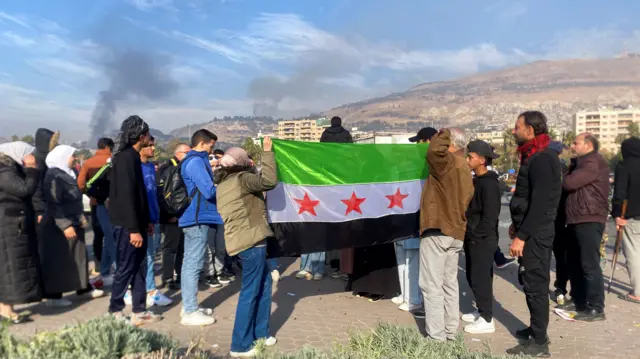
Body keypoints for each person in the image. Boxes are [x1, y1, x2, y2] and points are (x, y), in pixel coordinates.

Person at [214, 138, 278, 357]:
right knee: (250, 291)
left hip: (244, 241)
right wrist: (267, 153)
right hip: (251, 242)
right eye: (248, 159)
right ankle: (240, 345)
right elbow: (269, 181)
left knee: (264, 284)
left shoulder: (224, 182)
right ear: (242, 163)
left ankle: (261, 334)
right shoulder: (243, 179)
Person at [507, 111, 561, 357]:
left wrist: (523, 235)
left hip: (537, 235)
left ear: (531, 129)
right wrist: (516, 226)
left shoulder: (541, 159)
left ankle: (540, 344)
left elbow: (539, 203)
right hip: (530, 231)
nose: (513, 131)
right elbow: (526, 199)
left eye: (518, 127)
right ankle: (536, 329)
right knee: (530, 283)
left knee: (536, 285)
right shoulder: (533, 156)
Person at [418, 128, 474, 342]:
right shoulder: (464, 168)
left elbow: (433, 152)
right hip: (456, 232)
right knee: (449, 283)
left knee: (431, 284)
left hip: (438, 229)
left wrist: (445, 131)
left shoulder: (447, 162)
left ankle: (436, 336)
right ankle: (450, 331)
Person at [108, 115, 161, 325]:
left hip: (137, 223)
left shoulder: (133, 157)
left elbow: (140, 194)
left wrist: (146, 220)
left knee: (139, 266)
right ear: (141, 136)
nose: (150, 139)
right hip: (126, 225)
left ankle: (140, 310)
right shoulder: (125, 158)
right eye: (148, 134)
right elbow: (127, 196)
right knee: (126, 267)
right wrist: (133, 229)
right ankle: (115, 310)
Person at [39, 145, 104, 306]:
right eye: (72, 156)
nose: (74, 158)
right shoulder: (53, 176)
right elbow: (54, 203)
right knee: (58, 260)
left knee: (78, 257)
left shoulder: (68, 173)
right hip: (58, 225)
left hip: (74, 221)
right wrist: (65, 225)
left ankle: (82, 288)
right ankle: (54, 296)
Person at [559, 133, 609, 321]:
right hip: (576, 218)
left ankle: (596, 307)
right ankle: (578, 298)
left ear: (588, 145)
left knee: (589, 264)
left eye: (576, 143)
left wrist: (566, 174)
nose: (572, 145)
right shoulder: (581, 162)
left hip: (589, 217)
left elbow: (570, 183)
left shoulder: (592, 161)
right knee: (575, 261)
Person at [393, 126, 437, 315]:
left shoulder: (431, 163)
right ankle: (406, 294)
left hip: (417, 216)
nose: (416, 145)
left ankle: (414, 299)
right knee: (402, 256)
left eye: (419, 141)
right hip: (403, 214)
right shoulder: (414, 163)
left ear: (427, 141)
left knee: (413, 259)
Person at [179, 129, 221, 326]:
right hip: (197, 217)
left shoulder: (193, 160)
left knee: (191, 262)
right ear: (203, 143)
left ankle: (190, 305)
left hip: (195, 217)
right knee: (193, 264)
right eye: (211, 145)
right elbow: (209, 191)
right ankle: (189, 310)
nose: (212, 150)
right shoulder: (196, 162)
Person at [124, 136, 172, 307]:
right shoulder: (132, 167)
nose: (153, 148)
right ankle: (127, 290)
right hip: (136, 221)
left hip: (152, 219)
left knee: (150, 256)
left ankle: (151, 290)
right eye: (149, 146)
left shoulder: (151, 167)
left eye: (153, 145)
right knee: (133, 257)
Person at [460, 140, 501, 334]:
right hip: (472, 236)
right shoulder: (476, 180)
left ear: (482, 160)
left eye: (471, 157)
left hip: (482, 239)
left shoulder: (490, 184)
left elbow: (490, 216)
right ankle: (482, 311)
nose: (468, 159)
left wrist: (477, 235)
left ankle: (487, 319)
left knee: (480, 279)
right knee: (472, 275)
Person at [0, 142, 42, 323]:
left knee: (11, 267)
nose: (30, 158)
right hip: (8, 225)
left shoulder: (10, 169)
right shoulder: (5, 172)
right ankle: (5, 309)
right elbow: (24, 189)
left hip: (13, 223)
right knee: (9, 267)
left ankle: (7, 308)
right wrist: (32, 170)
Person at [77, 137, 116, 286]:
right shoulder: (114, 161)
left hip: (96, 204)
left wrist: (91, 196)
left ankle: (100, 267)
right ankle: (114, 268)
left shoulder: (88, 163)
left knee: (98, 235)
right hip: (112, 205)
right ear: (108, 147)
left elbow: (80, 185)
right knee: (112, 237)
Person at [157, 143, 190, 290]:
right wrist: (171, 214)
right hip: (172, 216)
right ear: (178, 154)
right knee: (170, 248)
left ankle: (180, 275)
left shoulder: (183, 168)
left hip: (182, 214)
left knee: (182, 248)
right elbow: (162, 195)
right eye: (186, 152)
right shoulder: (168, 169)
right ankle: (168, 278)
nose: (189, 155)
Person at [612, 137, 640, 304]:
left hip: (632, 217)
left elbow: (620, 193)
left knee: (634, 254)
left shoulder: (624, 166)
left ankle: (638, 292)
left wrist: (617, 215)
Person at [548, 141, 570, 305]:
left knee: (550, 255)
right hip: (561, 218)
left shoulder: (544, 168)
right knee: (561, 256)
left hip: (552, 218)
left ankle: (559, 288)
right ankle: (561, 289)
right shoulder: (566, 170)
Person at [32, 128, 60, 224]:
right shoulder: (39, 160)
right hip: (41, 209)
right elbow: (36, 189)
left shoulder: (46, 158)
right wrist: (40, 211)